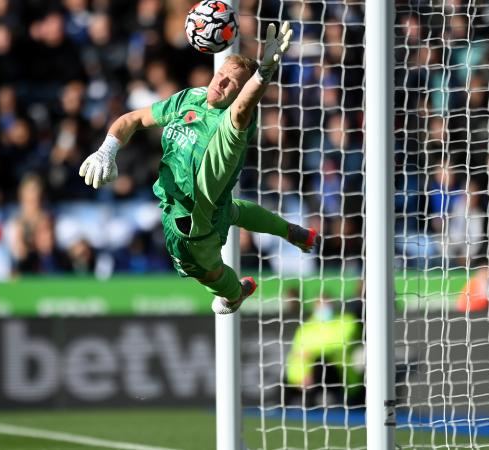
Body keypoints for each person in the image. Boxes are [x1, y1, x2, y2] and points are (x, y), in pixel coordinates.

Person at [79, 22, 319, 314]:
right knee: (231, 210)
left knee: (207, 273)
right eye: (220, 75)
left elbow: (243, 108)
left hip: (191, 225)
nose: (220, 83)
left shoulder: (233, 126)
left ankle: (236, 293)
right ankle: (289, 230)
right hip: (211, 203)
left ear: (242, 93)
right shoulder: (190, 98)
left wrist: (263, 73)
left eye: (230, 83)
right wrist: (108, 150)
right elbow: (134, 119)